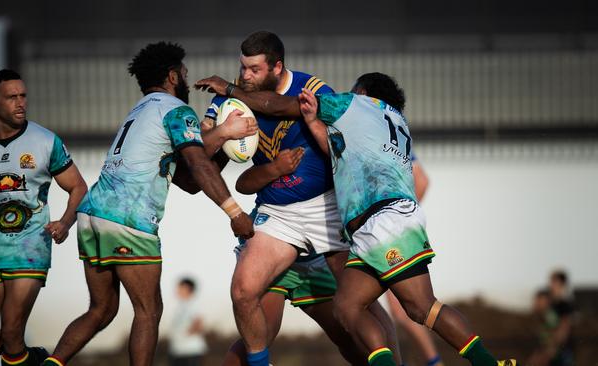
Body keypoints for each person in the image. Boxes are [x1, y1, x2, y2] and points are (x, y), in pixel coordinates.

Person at [194, 72, 518, 365]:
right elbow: (339, 151)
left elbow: (281, 105)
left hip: (382, 222)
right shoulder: (394, 122)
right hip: (388, 223)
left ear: (362, 91)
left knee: (421, 308)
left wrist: (232, 89)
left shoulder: (355, 104)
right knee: (349, 307)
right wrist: (314, 125)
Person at [41, 41, 254, 366]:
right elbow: (197, 165)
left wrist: (218, 137)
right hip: (128, 220)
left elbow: (188, 181)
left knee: (101, 310)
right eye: (183, 74)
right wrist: (234, 211)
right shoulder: (175, 109)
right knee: (148, 310)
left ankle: (52, 363)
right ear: (172, 76)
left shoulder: (141, 110)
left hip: (92, 216)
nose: (186, 80)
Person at [198, 31, 400, 366]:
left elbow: (285, 108)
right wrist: (221, 132)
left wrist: (232, 91)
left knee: (353, 319)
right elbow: (199, 157)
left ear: (277, 67)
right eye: (242, 68)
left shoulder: (312, 88)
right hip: (277, 216)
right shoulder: (230, 99)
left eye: (254, 70)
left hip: (326, 211)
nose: (245, 77)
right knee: (243, 291)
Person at [0, 69, 88, 366]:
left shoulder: (45, 141)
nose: (20, 102)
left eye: (23, 95)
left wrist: (65, 222)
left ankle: (20, 356)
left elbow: (78, 187)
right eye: (12, 97)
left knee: (12, 330)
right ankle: (30, 360)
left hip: (30, 250)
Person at [384, 160, 444, 366]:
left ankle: (434, 362)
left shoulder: (382, 132)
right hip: (372, 237)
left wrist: (397, 218)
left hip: (385, 237)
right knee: (401, 310)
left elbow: (422, 180)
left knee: (414, 307)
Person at [528, 271, 574, 366]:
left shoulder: (565, 305)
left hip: (559, 350)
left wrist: (551, 348)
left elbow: (564, 329)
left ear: (562, 284)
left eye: (554, 282)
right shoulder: (548, 304)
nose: (551, 284)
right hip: (546, 347)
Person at [168, 278, 208, 366]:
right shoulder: (179, 306)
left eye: (180, 288)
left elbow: (199, 324)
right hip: (177, 351)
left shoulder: (194, 304)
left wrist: (185, 334)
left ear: (187, 288)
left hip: (191, 351)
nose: (177, 290)